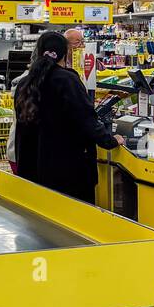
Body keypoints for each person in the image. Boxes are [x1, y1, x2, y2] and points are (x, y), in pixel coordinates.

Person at [14, 31, 118, 203]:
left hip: (32, 171)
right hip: (68, 173)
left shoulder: (25, 83)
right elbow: (86, 118)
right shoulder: (67, 80)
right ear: (65, 53)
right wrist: (110, 140)